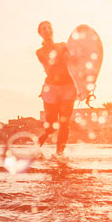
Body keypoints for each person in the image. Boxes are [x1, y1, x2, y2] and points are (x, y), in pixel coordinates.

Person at [35, 21, 76, 155]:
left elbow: (75, 61)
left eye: (48, 28)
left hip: (68, 88)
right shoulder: (39, 52)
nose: (47, 30)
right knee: (52, 125)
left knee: (64, 123)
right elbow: (50, 67)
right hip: (51, 88)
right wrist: (63, 58)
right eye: (43, 29)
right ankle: (46, 134)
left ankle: (59, 154)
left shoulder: (63, 45)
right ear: (40, 34)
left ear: (52, 30)